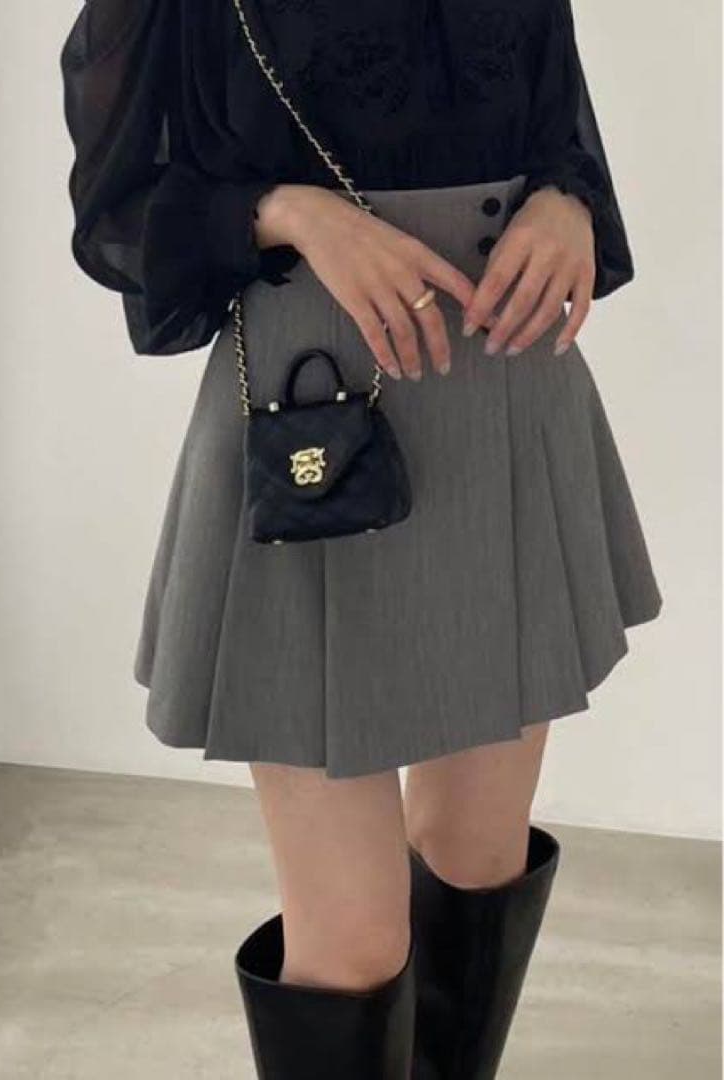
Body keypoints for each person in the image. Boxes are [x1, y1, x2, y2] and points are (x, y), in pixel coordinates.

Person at [60, 1, 663, 1075]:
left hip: (505, 382)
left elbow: (559, 135)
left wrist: (567, 205)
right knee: (350, 942)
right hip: (311, 406)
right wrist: (289, 213)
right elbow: (116, 214)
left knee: (478, 857)